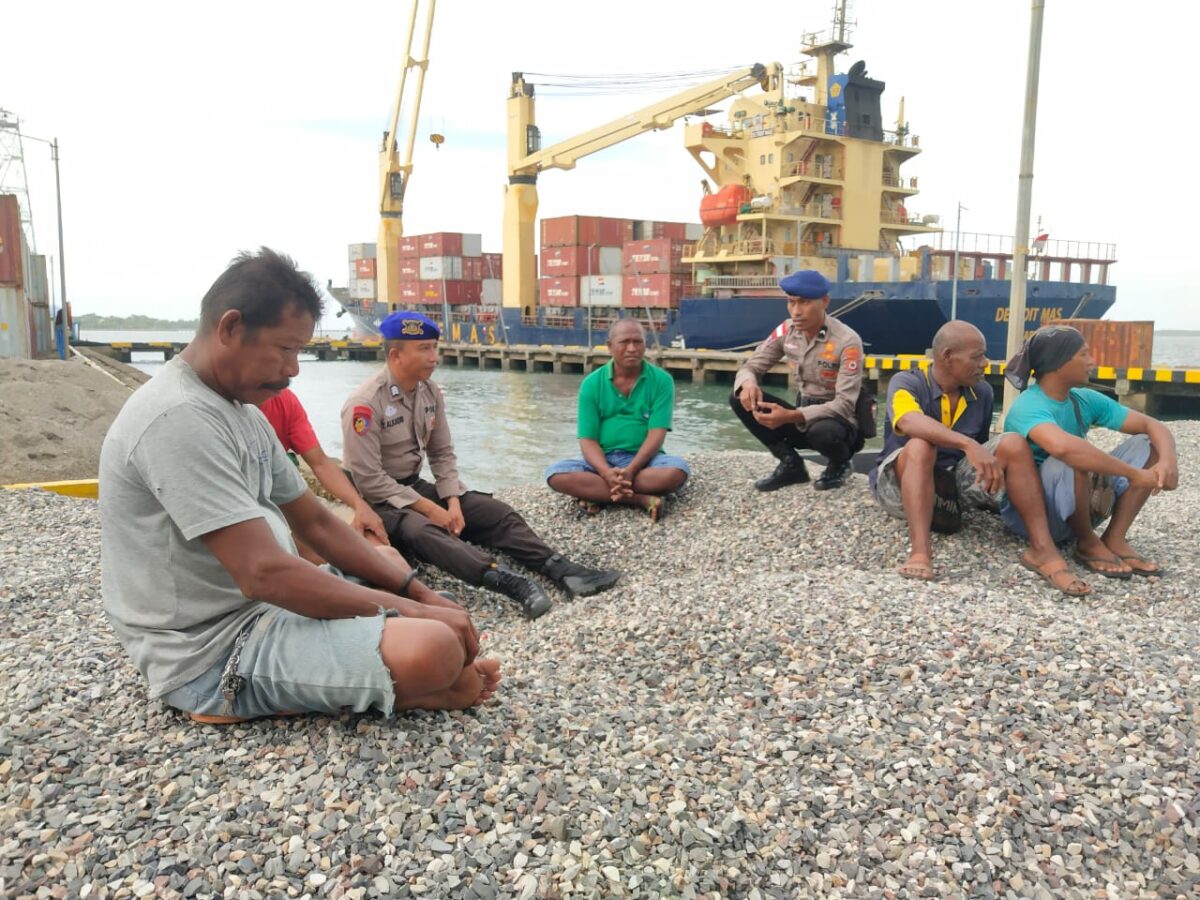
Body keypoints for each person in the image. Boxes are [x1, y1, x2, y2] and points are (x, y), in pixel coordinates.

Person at [99, 248, 498, 725]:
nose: (294, 369)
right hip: (210, 648)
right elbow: (262, 573)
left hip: (265, 606)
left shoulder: (242, 412)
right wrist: (416, 614)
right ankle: (225, 700)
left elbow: (315, 522)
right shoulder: (178, 417)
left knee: (393, 564)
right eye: (285, 349)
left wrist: (419, 593)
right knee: (435, 648)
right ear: (230, 328)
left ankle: (405, 677)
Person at [341, 311, 621, 620]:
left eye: (434, 347)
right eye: (424, 349)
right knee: (423, 530)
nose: (434, 357)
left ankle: (561, 570)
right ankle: (510, 583)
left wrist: (452, 501)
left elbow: (442, 453)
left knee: (493, 512)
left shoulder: (429, 391)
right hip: (379, 501)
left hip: (413, 486)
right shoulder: (365, 404)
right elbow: (369, 480)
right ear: (396, 355)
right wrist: (431, 509)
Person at [870, 321, 1089, 594]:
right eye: (977, 357)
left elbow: (984, 453)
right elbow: (909, 420)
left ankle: (1042, 549)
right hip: (901, 487)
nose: (985, 363)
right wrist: (966, 443)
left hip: (951, 489)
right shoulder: (908, 382)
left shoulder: (982, 392)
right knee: (920, 446)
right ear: (947, 356)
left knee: (1013, 442)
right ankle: (920, 551)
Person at [1003, 324, 1177, 578]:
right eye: (1083, 354)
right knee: (1071, 456)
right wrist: (1134, 474)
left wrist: (1167, 462)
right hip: (1035, 519)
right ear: (1058, 363)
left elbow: (1153, 425)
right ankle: (1087, 541)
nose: (1092, 361)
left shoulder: (1082, 398)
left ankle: (1114, 538)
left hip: (1082, 504)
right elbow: (1063, 448)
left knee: (1149, 443)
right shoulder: (1028, 405)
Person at [730, 269, 865, 491]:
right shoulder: (787, 330)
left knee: (823, 432)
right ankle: (791, 464)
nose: (796, 311)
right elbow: (751, 366)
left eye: (804, 302)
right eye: (791, 302)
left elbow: (844, 404)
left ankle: (840, 463)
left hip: (839, 424)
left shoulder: (847, 341)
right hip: (800, 417)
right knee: (739, 398)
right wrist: (748, 384)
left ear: (825, 302)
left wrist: (790, 416)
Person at [544, 319, 690, 522]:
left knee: (677, 471)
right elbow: (588, 440)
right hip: (602, 461)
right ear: (609, 346)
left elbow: (657, 434)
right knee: (555, 474)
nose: (632, 348)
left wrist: (631, 471)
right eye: (624, 342)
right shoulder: (592, 384)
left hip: (645, 461)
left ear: (645, 345)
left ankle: (596, 493)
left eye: (637, 342)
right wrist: (605, 472)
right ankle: (638, 499)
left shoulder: (661, 381)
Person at [259, 387, 389, 562]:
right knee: (311, 546)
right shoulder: (226, 414)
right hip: (257, 508)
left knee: (372, 537)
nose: (293, 373)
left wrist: (360, 506)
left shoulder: (284, 399)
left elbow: (320, 462)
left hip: (288, 496)